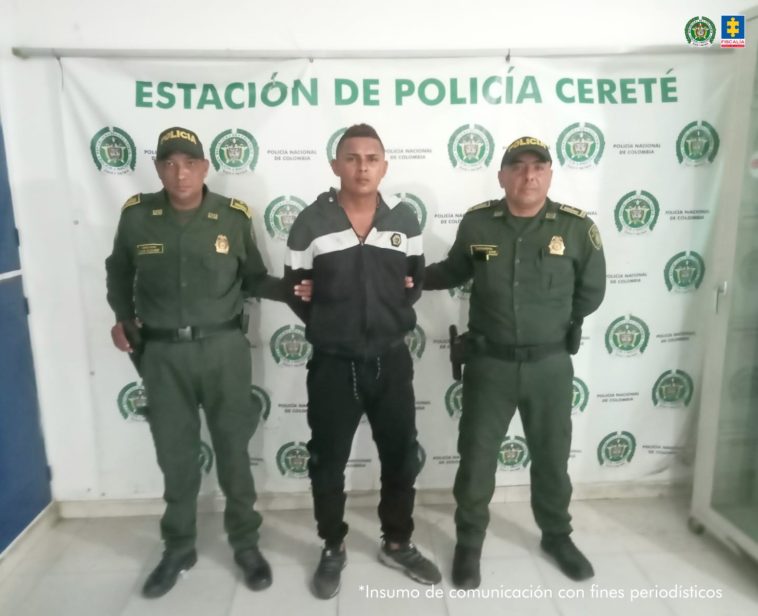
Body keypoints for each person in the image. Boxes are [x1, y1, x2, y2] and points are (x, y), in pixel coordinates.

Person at [424, 136, 606, 588]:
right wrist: (404, 277)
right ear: (502, 175)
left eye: (538, 167)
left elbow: (592, 290)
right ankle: (469, 543)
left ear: (549, 174)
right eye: (518, 167)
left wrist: (555, 324)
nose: (528, 175)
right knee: (477, 459)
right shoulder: (478, 223)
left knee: (550, 455)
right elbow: (453, 271)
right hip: (490, 365)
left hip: (549, 366)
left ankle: (556, 536)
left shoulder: (577, 229)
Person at [105, 126, 273, 598]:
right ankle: (178, 547)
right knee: (175, 456)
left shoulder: (233, 217)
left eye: (189, 163)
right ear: (159, 168)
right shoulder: (139, 218)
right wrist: (122, 316)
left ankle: (245, 543)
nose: (180, 173)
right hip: (161, 356)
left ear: (204, 167)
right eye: (170, 163)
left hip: (223, 351)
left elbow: (254, 277)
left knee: (234, 454)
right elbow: (118, 269)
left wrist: (300, 290)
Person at [283, 124, 441, 599]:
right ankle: (333, 545)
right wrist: (333, 322)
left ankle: (398, 541)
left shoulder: (405, 222)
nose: (363, 166)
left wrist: (385, 320)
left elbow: (412, 286)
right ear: (336, 165)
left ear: (384, 165)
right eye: (352, 158)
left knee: (400, 457)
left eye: (372, 158)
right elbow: (297, 291)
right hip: (333, 364)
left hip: (390, 362)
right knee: (326, 462)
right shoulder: (310, 223)